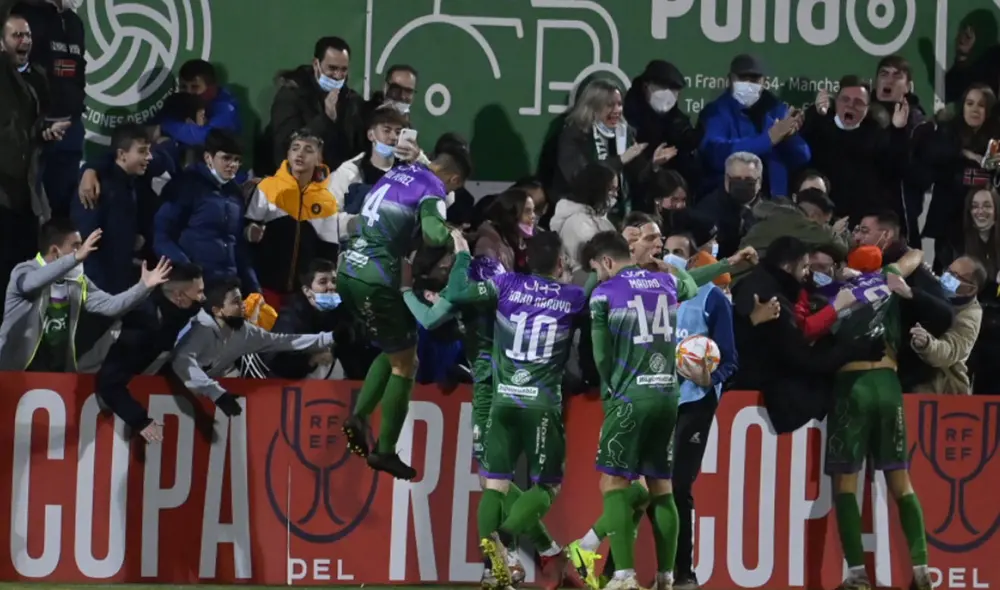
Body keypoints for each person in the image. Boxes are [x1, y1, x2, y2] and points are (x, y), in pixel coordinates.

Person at [444, 231, 587, 590]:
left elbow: (459, 293)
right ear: (559, 263)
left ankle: (492, 567)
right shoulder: (573, 297)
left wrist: (462, 255)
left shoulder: (506, 284)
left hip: (503, 399)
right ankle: (502, 543)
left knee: (495, 484)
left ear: (525, 259)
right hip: (541, 405)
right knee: (547, 487)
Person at [571, 231, 700, 590]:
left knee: (612, 483)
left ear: (607, 262)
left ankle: (624, 575)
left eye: (597, 268)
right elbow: (690, 286)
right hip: (668, 394)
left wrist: (610, 389)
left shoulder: (604, 294)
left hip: (630, 396)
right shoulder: (666, 283)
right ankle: (666, 576)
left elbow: (600, 353)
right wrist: (666, 268)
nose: (597, 275)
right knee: (661, 485)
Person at [338, 144, 471, 480]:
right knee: (407, 363)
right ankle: (384, 450)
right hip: (377, 275)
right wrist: (452, 234)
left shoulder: (399, 170)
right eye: (454, 187)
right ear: (453, 178)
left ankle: (360, 416)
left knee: (397, 346)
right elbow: (431, 231)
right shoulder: (435, 188)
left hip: (349, 269)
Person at [822, 245, 933, 590]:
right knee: (901, 482)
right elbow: (915, 255)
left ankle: (856, 574)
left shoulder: (836, 291)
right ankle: (921, 570)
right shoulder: (890, 281)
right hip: (888, 383)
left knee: (845, 485)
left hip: (852, 384)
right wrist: (892, 271)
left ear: (847, 266)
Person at [0, 221, 170, 372]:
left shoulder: (77, 281)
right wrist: (75, 258)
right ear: (55, 250)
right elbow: (32, 283)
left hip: (56, 371)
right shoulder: (23, 271)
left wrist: (144, 287)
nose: (83, 251)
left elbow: (111, 306)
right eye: (76, 245)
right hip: (15, 370)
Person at [672, 249, 741, 590]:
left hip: (695, 404)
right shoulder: (654, 293)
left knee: (678, 485)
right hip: (656, 399)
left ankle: (684, 572)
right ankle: (618, 567)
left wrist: (709, 381)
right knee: (641, 487)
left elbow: (729, 359)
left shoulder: (713, 299)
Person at [170, 276, 335, 416]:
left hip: (199, 396)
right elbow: (181, 362)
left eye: (241, 299)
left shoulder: (244, 332)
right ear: (217, 310)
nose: (243, 305)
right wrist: (216, 393)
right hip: (167, 388)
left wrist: (328, 337)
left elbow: (283, 341)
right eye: (236, 302)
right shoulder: (201, 330)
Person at [94, 263, 205, 443]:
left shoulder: (174, 314)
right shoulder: (140, 325)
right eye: (199, 292)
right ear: (178, 296)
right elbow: (109, 384)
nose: (203, 297)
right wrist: (140, 421)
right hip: (86, 379)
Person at [245, 130, 355, 306]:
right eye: (295, 148)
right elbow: (247, 231)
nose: (300, 153)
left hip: (303, 295)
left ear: (319, 158)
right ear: (288, 154)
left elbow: (328, 253)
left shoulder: (326, 201)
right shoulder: (267, 188)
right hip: (265, 289)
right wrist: (250, 231)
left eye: (308, 150)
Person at [154, 129, 261, 294]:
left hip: (229, 288)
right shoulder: (185, 186)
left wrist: (254, 289)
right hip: (193, 290)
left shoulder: (235, 193)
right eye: (226, 158)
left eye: (237, 160)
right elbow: (161, 235)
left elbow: (237, 246)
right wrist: (188, 272)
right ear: (208, 157)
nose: (233, 165)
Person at [552, 77, 673, 218]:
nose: (617, 110)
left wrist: (653, 165)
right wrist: (620, 160)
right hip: (581, 214)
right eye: (610, 105)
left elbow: (638, 177)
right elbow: (578, 178)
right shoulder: (574, 135)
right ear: (593, 106)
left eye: (620, 104)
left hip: (620, 215)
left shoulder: (623, 133)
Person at [0, 5, 53, 323]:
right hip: (2, 195)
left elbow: (30, 132)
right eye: (17, 34)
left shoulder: (37, 80)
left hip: (24, 197)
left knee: (18, 279)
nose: (25, 40)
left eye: (28, 34)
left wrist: (46, 130)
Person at [801, 76, 911, 225]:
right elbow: (800, 159)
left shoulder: (876, 133)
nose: (850, 106)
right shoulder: (818, 125)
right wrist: (815, 114)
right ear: (836, 101)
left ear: (867, 108)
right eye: (845, 99)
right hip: (819, 219)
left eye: (858, 102)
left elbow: (895, 169)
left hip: (859, 222)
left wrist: (898, 131)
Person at [12, 0, 85, 219]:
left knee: (64, 210)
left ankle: (60, 252)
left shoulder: (74, 22)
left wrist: (78, 104)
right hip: (34, 129)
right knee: (26, 208)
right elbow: (16, 71)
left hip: (71, 127)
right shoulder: (23, 15)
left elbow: (79, 66)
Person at [699, 54, 809, 198]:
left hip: (774, 201)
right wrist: (768, 139)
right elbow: (716, 155)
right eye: (743, 78)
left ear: (765, 82)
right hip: (732, 199)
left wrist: (790, 138)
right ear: (730, 79)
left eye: (755, 79)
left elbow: (802, 157)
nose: (749, 84)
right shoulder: (716, 112)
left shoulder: (777, 109)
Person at [920, 84, 998, 270]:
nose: (974, 109)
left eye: (981, 105)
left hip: (983, 220)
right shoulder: (947, 131)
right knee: (947, 276)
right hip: (950, 219)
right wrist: (965, 153)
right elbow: (931, 155)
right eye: (970, 103)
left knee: (983, 273)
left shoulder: (996, 136)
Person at [70, 123, 153, 294]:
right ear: (122, 154)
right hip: (98, 288)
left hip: (119, 283)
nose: (149, 157)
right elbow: (85, 242)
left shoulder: (131, 183)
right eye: (142, 151)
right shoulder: (97, 188)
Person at [269, 36, 367, 172]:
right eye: (332, 68)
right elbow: (285, 148)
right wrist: (326, 118)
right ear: (316, 64)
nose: (338, 76)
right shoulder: (291, 95)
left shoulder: (352, 100)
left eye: (343, 69)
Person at [623, 60, 701, 201]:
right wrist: (652, 163)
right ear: (645, 86)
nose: (667, 94)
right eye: (662, 87)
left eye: (674, 90)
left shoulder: (678, 121)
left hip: (672, 199)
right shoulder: (626, 118)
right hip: (633, 196)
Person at [909, 255, 985, 394]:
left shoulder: (970, 316)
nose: (947, 278)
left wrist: (927, 344)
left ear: (971, 289)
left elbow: (948, 352)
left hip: (943, 388)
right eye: (948, 271)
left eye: (956, 276)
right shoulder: (938, 288)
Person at [265, 259, 345, 380]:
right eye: (323, 282)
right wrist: (311, 360)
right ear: (307, 290)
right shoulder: (290, 316)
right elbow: (276, 361)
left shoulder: (342, 312)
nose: (331, 287)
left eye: (334, 281)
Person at [738, 187, 849, 265]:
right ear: (813, 216)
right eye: (825, 222)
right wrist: (836, 232)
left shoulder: (777, 213)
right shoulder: (798, 222)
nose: (824, 226)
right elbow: (838, 246)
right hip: (747, 282)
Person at [329, 106, 408, 211]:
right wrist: (351, 223)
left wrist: (419, 158)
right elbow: (328, 214)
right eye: (386, 131)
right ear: (371, 135)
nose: (394, 137)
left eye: (398, 132)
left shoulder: (409, 171)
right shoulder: (348, 172)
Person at [550, 162, 619, 279]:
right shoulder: (578, 223)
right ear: (596, 189)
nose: (615, 194)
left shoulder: (598, 218)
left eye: (616, 189)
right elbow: (591, 265)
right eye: (611, 189)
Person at [963, 188, 1000, 393]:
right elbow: (945, 285)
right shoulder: (956, 243)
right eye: (975, 206)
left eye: (987, 206)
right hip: (966, 320)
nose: (980, 212)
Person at [693, 152, 762, 258]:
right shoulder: (706, 211)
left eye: (749, 180)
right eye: (737, 179)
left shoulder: (769, 211)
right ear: (726, 179)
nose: (742, 185)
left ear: (759, 182)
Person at [474, 188, 536, 273]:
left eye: (533, 211)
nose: (533, 216)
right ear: (510, 215)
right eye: (527, 211)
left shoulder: (524, 243)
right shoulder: (488, 243)